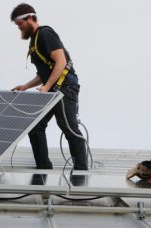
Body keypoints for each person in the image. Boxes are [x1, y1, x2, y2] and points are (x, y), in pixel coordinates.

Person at [10, 3, 88, 170]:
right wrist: (26, 86)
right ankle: (43, 168)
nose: (19, 28)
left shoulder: (45, 33)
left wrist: (46, 87)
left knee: (69, 128)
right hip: (53, 89)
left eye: (20, 24)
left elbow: (61, 61)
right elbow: (45, 73)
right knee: (35, 127)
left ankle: (82, 170)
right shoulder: (34, 40)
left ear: (30, 18)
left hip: (65, 88)